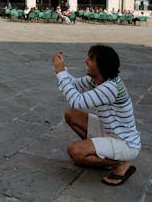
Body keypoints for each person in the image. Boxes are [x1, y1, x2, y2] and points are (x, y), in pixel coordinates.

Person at [51, 45, 140, 186]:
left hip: (125, 142)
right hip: (109, 131)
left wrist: (61, 72)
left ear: (101, 66)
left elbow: (76, 101)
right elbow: (73, 85)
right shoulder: (97, 78)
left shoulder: (110, 87)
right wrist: (61, 69)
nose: (86, 61)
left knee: (75, 152)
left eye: (91, 59)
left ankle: (122, 162)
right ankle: (103, 155)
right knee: (71, 114)